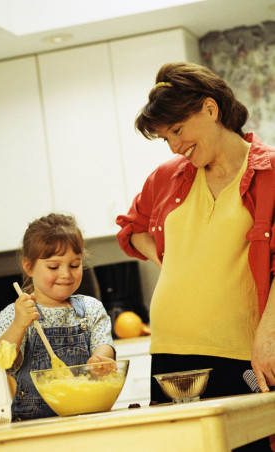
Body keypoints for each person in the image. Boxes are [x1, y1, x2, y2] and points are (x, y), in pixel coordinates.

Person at [116, 62, 275, 451]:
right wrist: (173, 263)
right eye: (164, 137)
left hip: (239, 355)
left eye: (176, 130)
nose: (174, 146)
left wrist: (269, 333)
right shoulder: (168, 176)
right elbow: (131, 229)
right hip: (169, 356)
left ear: (210, 109)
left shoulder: (271, 172)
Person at [0, 213, 115, 421]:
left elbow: (104, 344)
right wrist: (19, 324)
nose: (66, 274)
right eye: (54, 267)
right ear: (29, 267)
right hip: (30, 425)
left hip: (85, 416)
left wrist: (100, 359)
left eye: (74, 265)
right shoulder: (15, 313)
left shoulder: (92, 308)